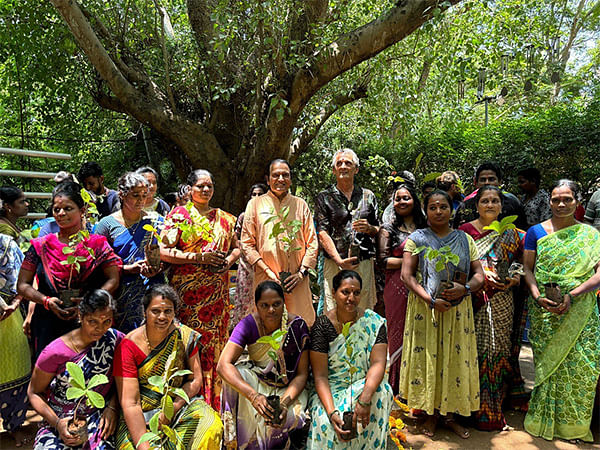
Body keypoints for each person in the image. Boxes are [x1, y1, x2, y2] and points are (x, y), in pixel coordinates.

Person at [399, 190, 484, 439]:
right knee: (430, 357)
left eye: (443, 207)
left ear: (451, 210)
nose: (438, 211)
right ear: (426, 211)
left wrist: (465, 288)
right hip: (427, 310)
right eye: (433, 207)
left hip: (458, 311)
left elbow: (479, 274)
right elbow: (407, 275)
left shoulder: (465, 239)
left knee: (454, 358)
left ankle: (450, 414)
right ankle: (431, 414)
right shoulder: (417, 238)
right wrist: (430, 299)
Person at [522, 179, 600, 442]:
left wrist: (574, 294)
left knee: (582, 366)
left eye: (567, 198)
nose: (561, 203)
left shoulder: (591, 235)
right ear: (549, 201)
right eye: (556, 199)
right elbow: (528, 270)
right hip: (546, 310)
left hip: (581, 310)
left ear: (577, 201)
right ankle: (544, 419)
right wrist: (536, 295)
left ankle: (573, 427)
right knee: (547, 365)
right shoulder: (535, 232)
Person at [161, 169, 239, 410]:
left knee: (217, 349)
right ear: (190, 189)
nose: (206, 190)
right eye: (200, 186)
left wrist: (228, 261)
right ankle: (189, 407)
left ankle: (218, 407)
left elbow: (237, 248)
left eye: (209, 186)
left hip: (217, 300)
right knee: (191, 347)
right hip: (188, 300)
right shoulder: (179, 216)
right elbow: (163, 251)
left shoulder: (225, 218)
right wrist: (197, 258)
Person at [17, 181, 122, 357]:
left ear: (82, 211)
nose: (61, 213)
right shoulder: (41, 245)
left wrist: (89, 301)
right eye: (56, 209)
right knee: (49, 376)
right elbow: (22, 285)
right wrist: (46, 301)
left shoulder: (97, 244)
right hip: (47, 323)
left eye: (68, 208)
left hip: (89, 319)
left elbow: (114, 278)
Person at [114, 285, 223, 449]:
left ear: (174, 312)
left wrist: (174, 406)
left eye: (168, 311)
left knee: (211, 425)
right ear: (145, 312)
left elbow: (195, 379)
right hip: (142, 417)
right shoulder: (129, 346)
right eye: (155, 311)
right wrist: (144, 446)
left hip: (178, 409)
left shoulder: (184, 336)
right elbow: (131, 403)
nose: (162, 317)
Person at [458, 186, 525, 430]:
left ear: (501, 206)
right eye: (485, 201)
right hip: (473, 299)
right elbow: (458, 263)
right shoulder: (465, 232)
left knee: (496, 350)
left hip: (502, 299)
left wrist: (514, 277)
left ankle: (490, 410)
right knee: (471, 351)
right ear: (477, 206)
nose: (489, 205)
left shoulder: (512, 233)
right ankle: (465, 409)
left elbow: (520, 263)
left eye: (494, 201)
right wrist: (482, 276)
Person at [218, 281, 310, 449]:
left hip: (288, 388)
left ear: (284, 303)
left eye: (276, 304)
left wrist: (283, 403)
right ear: (257, 306)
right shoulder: (248, 325)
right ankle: (236, 443)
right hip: (258, 383)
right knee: (235, 374)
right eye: (264, 305)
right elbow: (223, 365)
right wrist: (253, 396)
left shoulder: (297, 327)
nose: (271, 310)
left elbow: (302, 374)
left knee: (281, 418)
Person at [27, 290, 123, 450]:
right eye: (92, 321)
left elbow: (126, 377)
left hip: (98, 415)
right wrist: (58, 424)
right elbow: (34, 392)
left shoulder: (115, 339)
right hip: (59, 418)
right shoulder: (55, 351)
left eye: (106, 321)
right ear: (80, 316)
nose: (100, 328)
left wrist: (112, 406)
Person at [307, 270, 391, 449]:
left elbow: (378, 363)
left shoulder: (373, 323)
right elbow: (320, 376)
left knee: (382, 392)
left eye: (356, 292)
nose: (351, 298)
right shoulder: (322, 326)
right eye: (345, 292)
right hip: (331, 389)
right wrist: (331, 412)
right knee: (326, 425)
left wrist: (365, 399)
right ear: (334, 292)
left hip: (363, 385)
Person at [241, 160, 318, 326]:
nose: (281, 179)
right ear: (268, 180)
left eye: (285, 175)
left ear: (290, 180)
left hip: (296, 280)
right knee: (267, 328)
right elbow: (246, 243)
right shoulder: (255, 204)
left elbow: (312, 242)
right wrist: (268, 272)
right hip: (266, 278)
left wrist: (301, 273)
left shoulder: (300, 205)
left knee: (299, 327)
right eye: (276, 175)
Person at [94, 172, 165, 332]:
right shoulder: (107, 225)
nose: (141, 200)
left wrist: (159, 267)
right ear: (122, 194)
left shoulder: (156, 222)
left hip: (154, 289)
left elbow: (167, 254)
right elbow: (96, 263)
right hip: (122, 294)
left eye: (144, 195)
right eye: (135, 195)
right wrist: (126, 269)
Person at [376, 183, 426, 395]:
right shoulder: (388, 229)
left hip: (423, 287)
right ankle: (396, 386)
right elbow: (382, 261)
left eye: (406, 198)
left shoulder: (426, 228)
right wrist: (411, 261)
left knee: (420, 333)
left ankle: (418, 386)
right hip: (396, 287)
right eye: (398, 198)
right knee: (398, 334)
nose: (402, 202)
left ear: (414, 200)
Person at [315, 149, 379, 314]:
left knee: (362, 308)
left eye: (348, 163)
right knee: (333, 309)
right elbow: (322, 232)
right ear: (334, 170)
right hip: (335, 263)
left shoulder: (368, 196)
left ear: (356, 169)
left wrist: (370, 229)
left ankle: (362, 340)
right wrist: (339, 260)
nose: (343, 166)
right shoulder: (324, 197)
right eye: (339, 163)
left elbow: (379, 228)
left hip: (363, 262)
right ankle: (336, 341)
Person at [0, 234, 31, 447]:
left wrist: (16, 301)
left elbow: (23, 278)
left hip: (8, 317)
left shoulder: (6, 244)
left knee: (16, 371)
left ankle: (15, 426)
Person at [230, 183, 268, 329]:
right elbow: (236, 236)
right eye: (254, 194)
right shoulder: (243, 216)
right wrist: (244, 249)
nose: (257, 197)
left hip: (264, 262)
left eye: (260, 194)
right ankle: (244, 330)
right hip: (247, 264)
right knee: (246, 298)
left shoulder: (269, 215)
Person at [453, 162, 527, 230]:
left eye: (491, 179)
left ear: (500, 182)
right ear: (476, 183)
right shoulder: (466, 206)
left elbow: (521, 231)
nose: (487, 183)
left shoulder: (512, 203)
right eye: (483, 180)